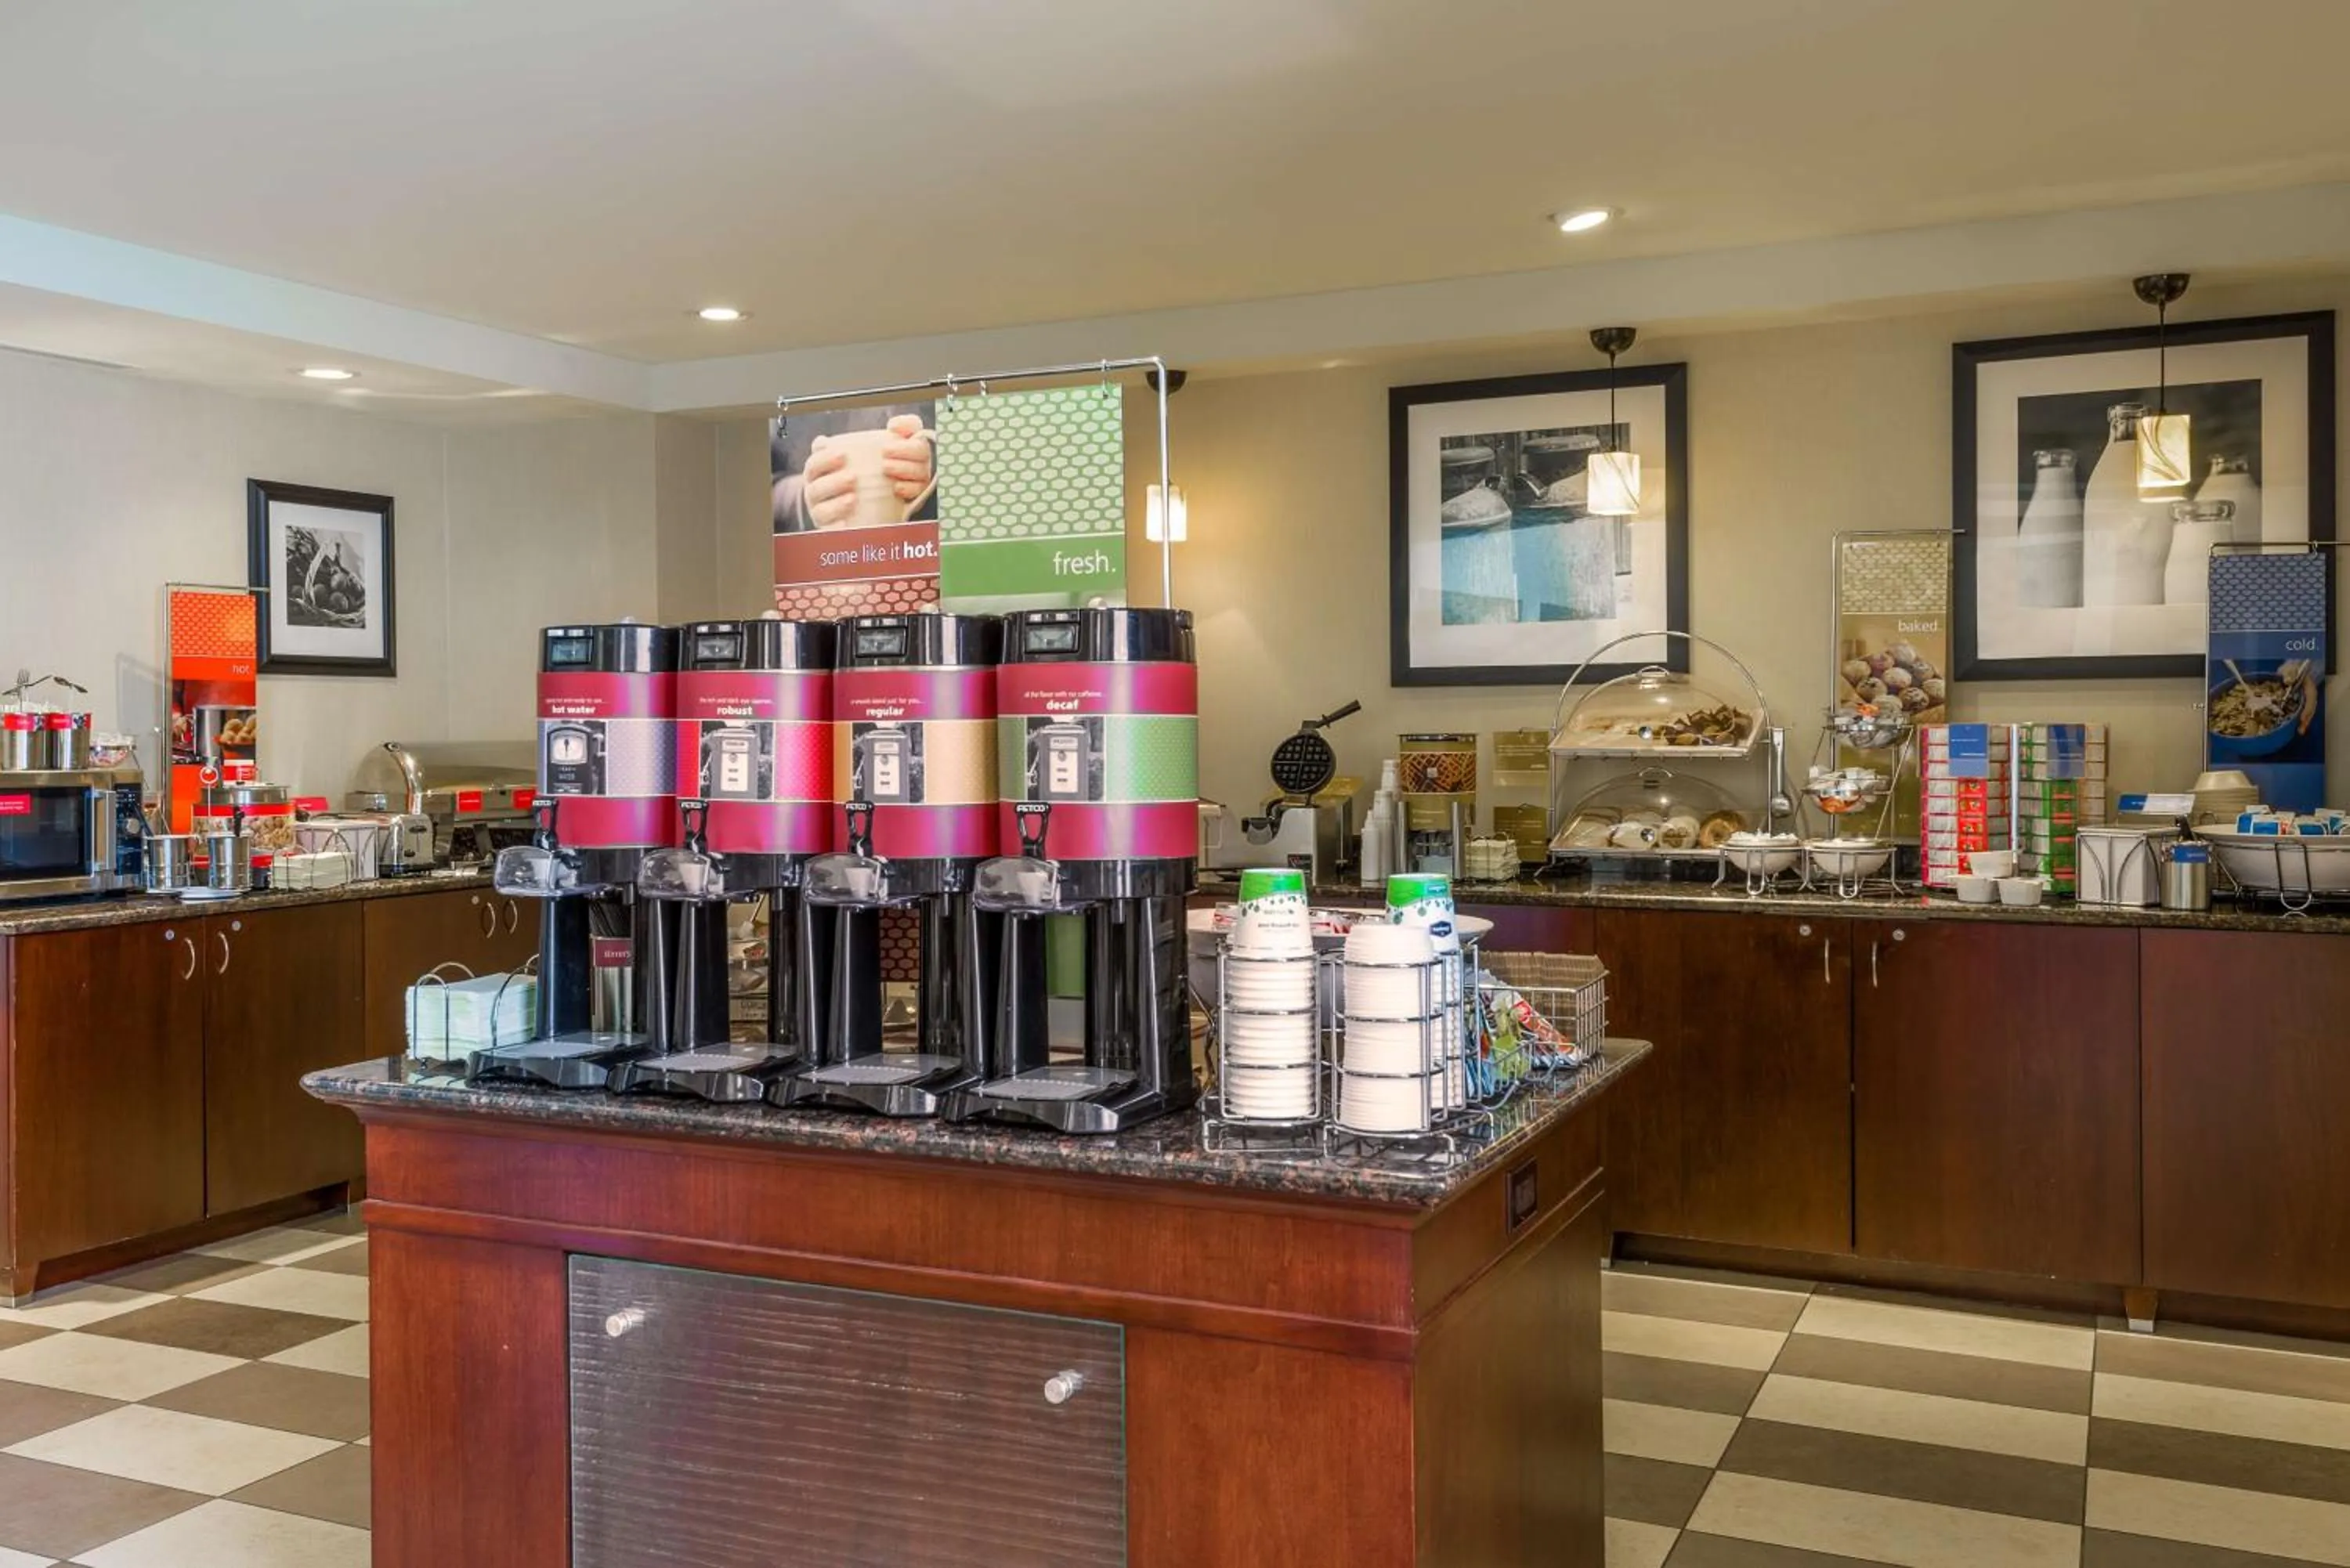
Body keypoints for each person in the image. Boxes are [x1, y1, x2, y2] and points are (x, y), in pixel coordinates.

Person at [770, 404, 936, 533]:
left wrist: (934, 461)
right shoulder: (780, 377)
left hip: (924, 555)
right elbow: (751, 491)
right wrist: (805, 496)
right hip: (824, 562)